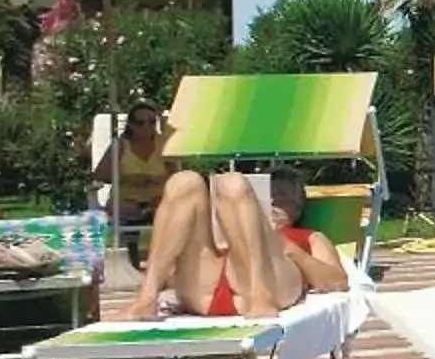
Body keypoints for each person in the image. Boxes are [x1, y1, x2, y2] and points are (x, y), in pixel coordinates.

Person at [130, 170, 349, 321]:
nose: (272, 202)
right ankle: (147, 298)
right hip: (207, 289)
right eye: (268, 197)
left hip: (270, 283)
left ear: (298, 207)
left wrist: (291, 250)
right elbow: (172, 274)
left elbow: (338, 281)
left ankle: (260, 293)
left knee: (232, 183)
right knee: (183, 182)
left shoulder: (309, 237)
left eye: (281, 197)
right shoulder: (230, 216)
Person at [92, 101, 172, 243]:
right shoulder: (120, 146)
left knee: (169, 210)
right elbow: (100, 175)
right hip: (127, 201)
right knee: (127, 211)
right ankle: (130, 252)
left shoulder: (164, 145)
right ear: (131, 125)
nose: (147, 127)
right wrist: (128, 179)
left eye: (152, 122)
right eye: (140, 123)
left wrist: (158, 179)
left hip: (157, 200)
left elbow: (177, 175)